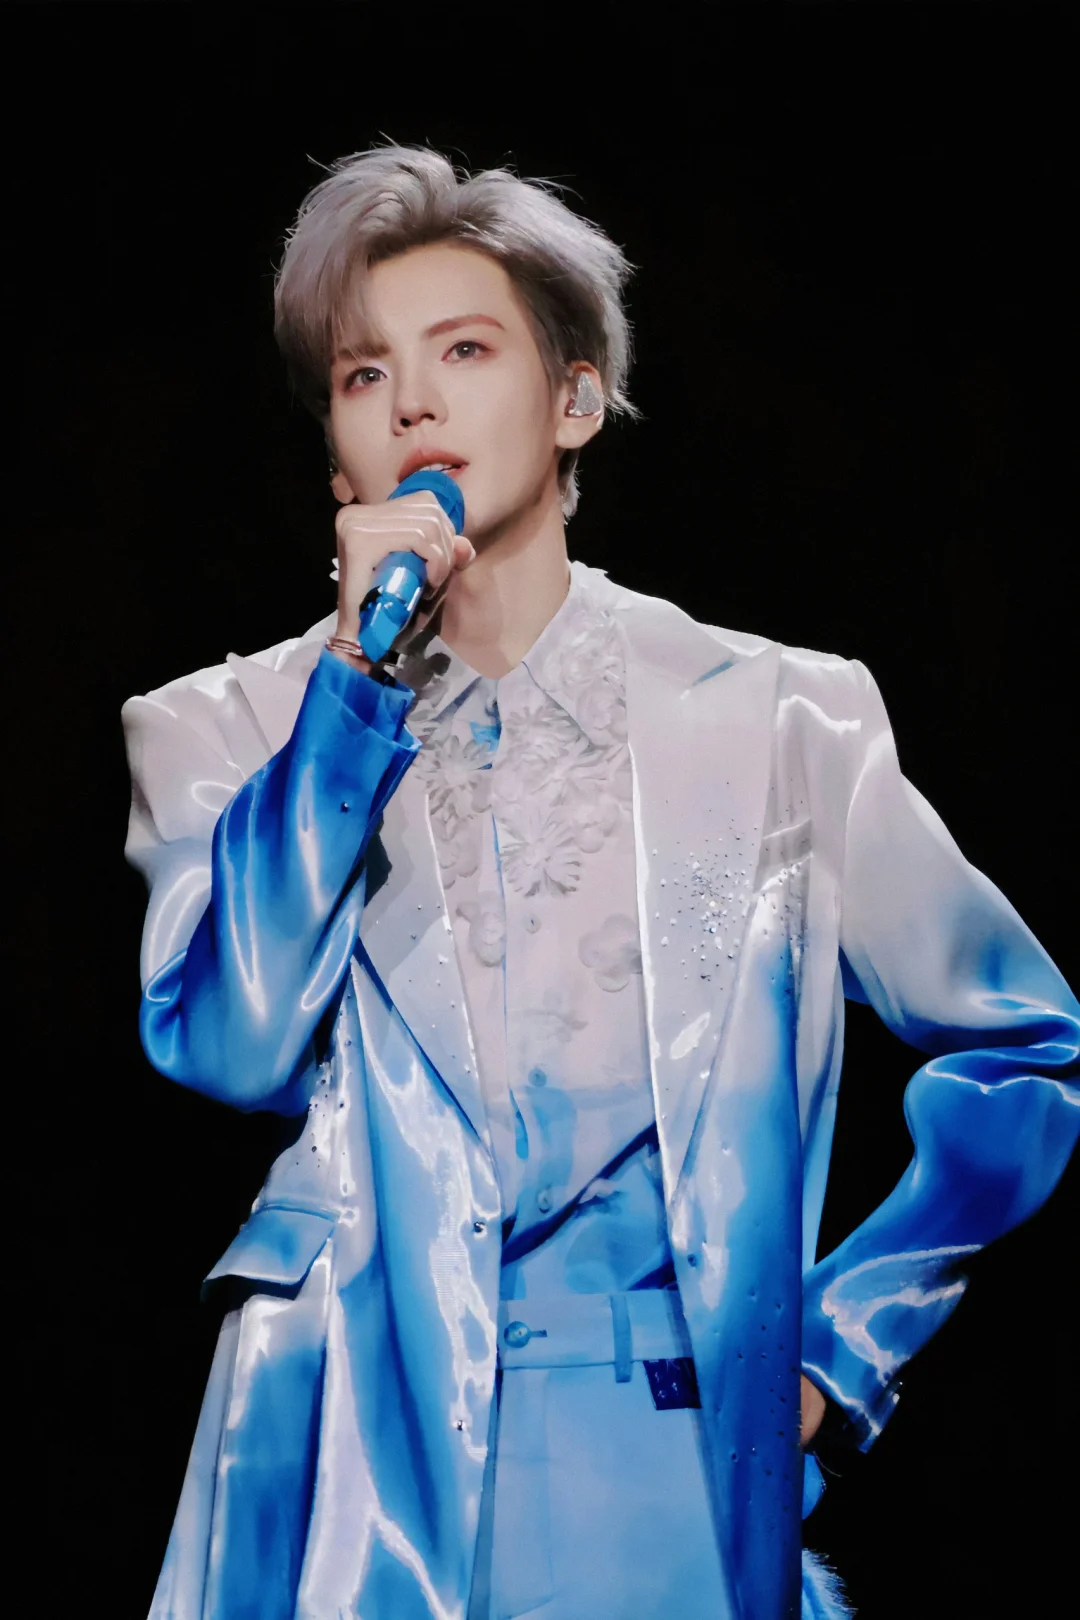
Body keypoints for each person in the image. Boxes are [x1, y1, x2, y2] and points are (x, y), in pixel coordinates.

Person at [123, 145, 1079, 1620]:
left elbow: (1019, 1042)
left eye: (464, 350)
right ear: (337, 460)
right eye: (365, 375)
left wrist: (840, 1349)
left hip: (666, 1463)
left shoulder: (781, 720)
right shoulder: (226, 729)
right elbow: (227, 1047)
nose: (414, 402)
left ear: (575, 400)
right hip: (351, 1470)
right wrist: (351, 691)